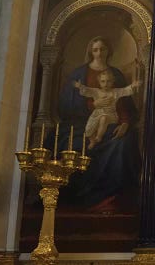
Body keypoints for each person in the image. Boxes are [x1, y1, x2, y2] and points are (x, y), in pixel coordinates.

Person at [58, 36, 141, 212]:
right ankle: (81, 197)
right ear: (90, 51)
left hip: (112, 122)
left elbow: (125, 103)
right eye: (95, 49)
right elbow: (66, 104)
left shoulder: (116, 74)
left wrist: (125, 123)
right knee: (73, 143)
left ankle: (114, 196)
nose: (99, 53)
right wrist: (92, 105)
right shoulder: (79, 74)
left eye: (102, 49)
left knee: (125, 143)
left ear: (108, 51)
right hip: (82, 124)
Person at [74, 70, 140, 150]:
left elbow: (125, 90)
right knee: (88, 129)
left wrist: (133, 85)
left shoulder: (115, 92)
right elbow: (87, 90)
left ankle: (99, 137)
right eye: (103, 81)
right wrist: (80, 86)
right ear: (99, 82)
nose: (105, 84)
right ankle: (92, 141)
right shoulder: (96, 91)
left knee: (103, 118)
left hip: (110, 115)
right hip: (96, 114)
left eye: (108, 81)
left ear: (113, 82)